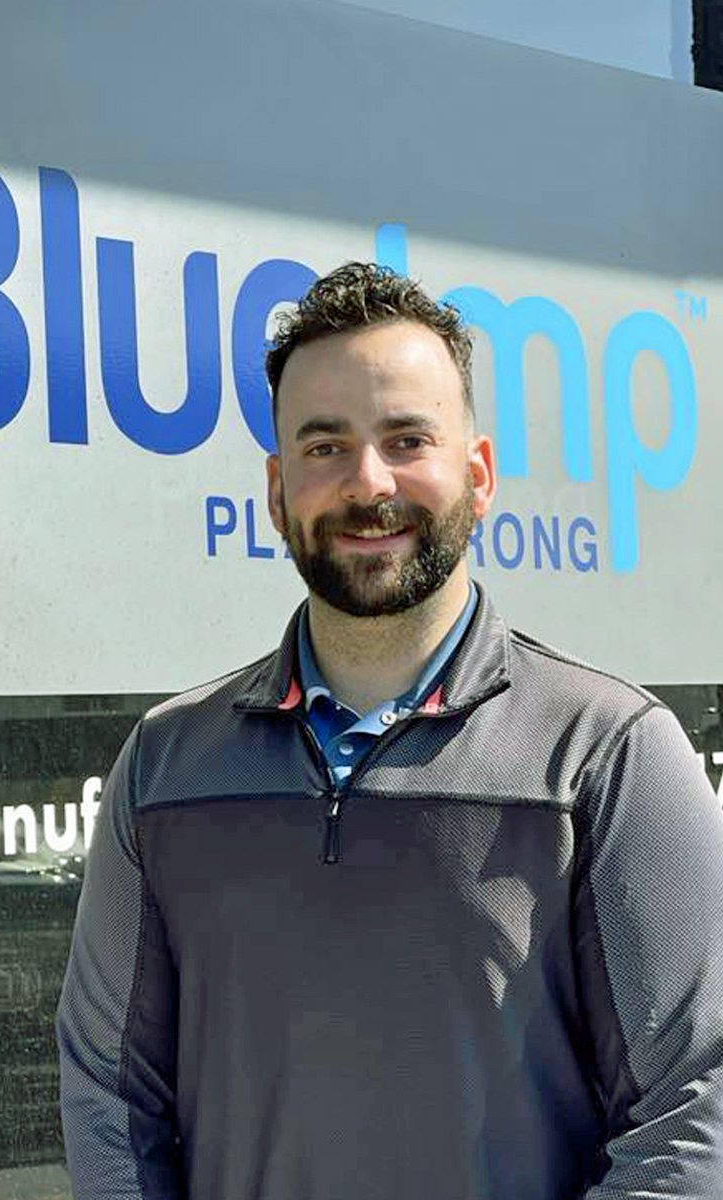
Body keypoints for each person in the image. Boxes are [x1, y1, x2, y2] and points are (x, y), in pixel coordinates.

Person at [55, 262, 723, 1199]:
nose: (368, 483)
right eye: (325, 446)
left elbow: (696, 1113)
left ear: (477, 476)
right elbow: (109, 1104)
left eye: (407, 439)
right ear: (277, 490)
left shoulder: (606, 753)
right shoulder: (165, 768)